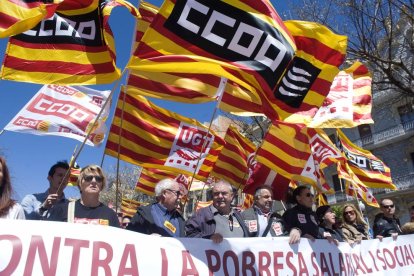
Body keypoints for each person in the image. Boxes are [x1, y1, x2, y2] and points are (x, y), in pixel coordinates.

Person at [47, 165, 119, 227]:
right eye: (88, 178)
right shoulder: (61, 210)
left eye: (98, 179)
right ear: (80, 183)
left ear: (102, 185)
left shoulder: (111, 215)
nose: (94, 181)